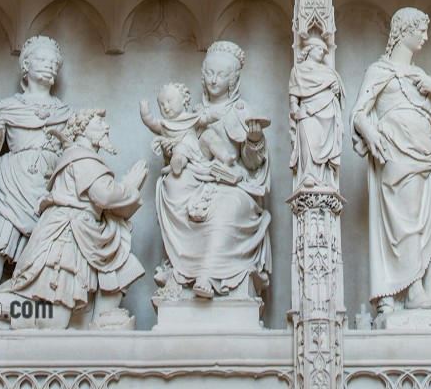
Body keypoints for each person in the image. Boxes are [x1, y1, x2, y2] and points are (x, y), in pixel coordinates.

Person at [351, 7, 431, 316]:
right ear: (404, 32)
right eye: (420, 30)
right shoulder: (379, 70)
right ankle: (411, 292)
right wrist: (370, 132)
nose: (425, 36)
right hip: (397, 156)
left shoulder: (423, 78)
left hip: (427, 158)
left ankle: (429, 292)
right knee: (407, 223)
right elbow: (358, 112)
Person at [151, 40, 271, 301]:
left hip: (232, 184)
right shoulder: (193, 112)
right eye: (209, 73)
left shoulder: (241, 111)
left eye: (222, 75)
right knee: (170, 185)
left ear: (234, 79)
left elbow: (252, 165)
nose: (214, 80)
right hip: (198, 177)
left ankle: (206, 274)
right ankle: (177, 269)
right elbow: (179, 145)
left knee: (226, 207)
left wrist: (253, 141)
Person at [7, 108, 148, 328]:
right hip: (68, 238)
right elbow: (104, 195)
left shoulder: (81, 157)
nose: (106, 127)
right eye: (99, 123)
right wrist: (130, 187)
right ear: (83, 130)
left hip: (79, 234)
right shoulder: (82, 158)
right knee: (53, 319)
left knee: (55, 317)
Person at [0, 35, 71, 292]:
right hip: (12, 184)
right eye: (41, 59)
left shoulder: (65, 112)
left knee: (43, 250)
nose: (48, 65)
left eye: (53, 62)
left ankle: (29, 311)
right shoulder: (8, 107)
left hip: (49, 186)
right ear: (25, 65)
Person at [140, 82, 231, 175]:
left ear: (183, 99)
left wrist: (213, 116)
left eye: (169, 101)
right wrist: (144, 109)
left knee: (209, 134)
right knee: (179, 151)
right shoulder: (164, 125)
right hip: (183, 153)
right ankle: (176, 165)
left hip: (200, 151)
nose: (166, 107)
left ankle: (225, 157)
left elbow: (204, 119)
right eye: (161, 105)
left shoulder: (190, 118)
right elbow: (150, 121)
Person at [289, 36, 345, 186]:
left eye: (325, 51)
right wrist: (294, 106)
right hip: (307, 112)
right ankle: (308, 175)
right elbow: (294, 92)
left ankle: (324, 178)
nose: (322, 52)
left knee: (325, 145)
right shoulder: (298, 70)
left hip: (328, 111)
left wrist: (336, 89)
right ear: (309, 50)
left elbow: (339, 91)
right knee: (308, 143)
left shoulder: (327, 71)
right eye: (319, 49)